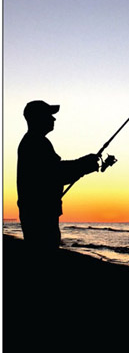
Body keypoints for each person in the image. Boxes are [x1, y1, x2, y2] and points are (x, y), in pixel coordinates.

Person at [17, 100, 99, 250]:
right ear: (38, 117)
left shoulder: (34, 141)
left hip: (37, 213)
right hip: (40, 216)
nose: (53, 119)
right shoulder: (36, 143)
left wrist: (83, 165)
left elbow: (54, 171)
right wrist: (84, 165)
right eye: (49, 115)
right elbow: (55, 173)